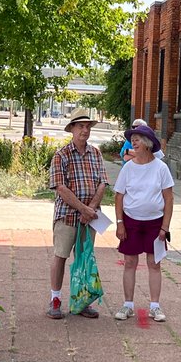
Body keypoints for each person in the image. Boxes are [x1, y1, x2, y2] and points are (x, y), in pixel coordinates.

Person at [47, 109, 108, 319]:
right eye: (81, 126)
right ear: (72, 129)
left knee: (84, 259)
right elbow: (60, 187)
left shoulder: (96, 153)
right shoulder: (61, 155)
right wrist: (83, 209)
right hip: (67, 216)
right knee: (61, 256)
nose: (85, 130)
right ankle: (55, 299)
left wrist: (90, 209)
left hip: (89, 218)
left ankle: (82, 301)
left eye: (88, 126)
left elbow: (103, 182)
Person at [113, 124, 174, 323]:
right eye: (133, 139)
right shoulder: (128, 168)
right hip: (131, 220)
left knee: (154, 263)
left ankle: (155, 306)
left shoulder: (161, 168)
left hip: (155, 223)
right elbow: (119, 197)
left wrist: (165, 227)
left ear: (147, 144)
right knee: (130, 262)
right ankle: (128, 305)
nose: (134, 142)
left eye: (138, 138)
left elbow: (168, 198)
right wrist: (120, 223)